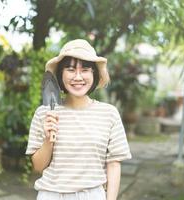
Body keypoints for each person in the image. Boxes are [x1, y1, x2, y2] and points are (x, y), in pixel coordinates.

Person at [26, 39, 131, 200]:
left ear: (94, 74)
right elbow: (38, 167)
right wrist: (48, 139)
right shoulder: (44, 113)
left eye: (85, 70)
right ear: (61, 74)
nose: (78, 77)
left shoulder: (109, 114)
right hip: (51, 195)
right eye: (70, 69)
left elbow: (114, 164)